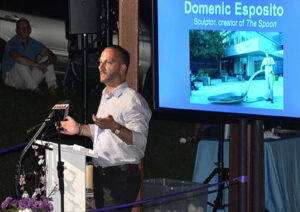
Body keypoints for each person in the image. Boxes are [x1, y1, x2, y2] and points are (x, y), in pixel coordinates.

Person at [60, 45, 152, 211]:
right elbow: (101, 131)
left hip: (121, 176)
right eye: (100, 62)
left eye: (108, 62)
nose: (100, 67)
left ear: (122, 68)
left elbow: (140, 141)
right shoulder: (106, 94)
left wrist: (115, 127)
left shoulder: (132, 100)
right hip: (102, 174)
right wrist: (79, 129)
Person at [1, 18, 57, 95]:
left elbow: (52, 56)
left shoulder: (33, 43)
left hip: (28, 78)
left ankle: (52, 89)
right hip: (13, 80)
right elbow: (18, 58)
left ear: (30, 30)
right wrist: (38, 65)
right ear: (17, 31)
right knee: (20, 63)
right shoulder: (12, 43)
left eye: (26, 28)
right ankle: (36, 90)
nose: (24, 30)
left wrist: (46, 63)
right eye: (21, 28)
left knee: (47, 58)